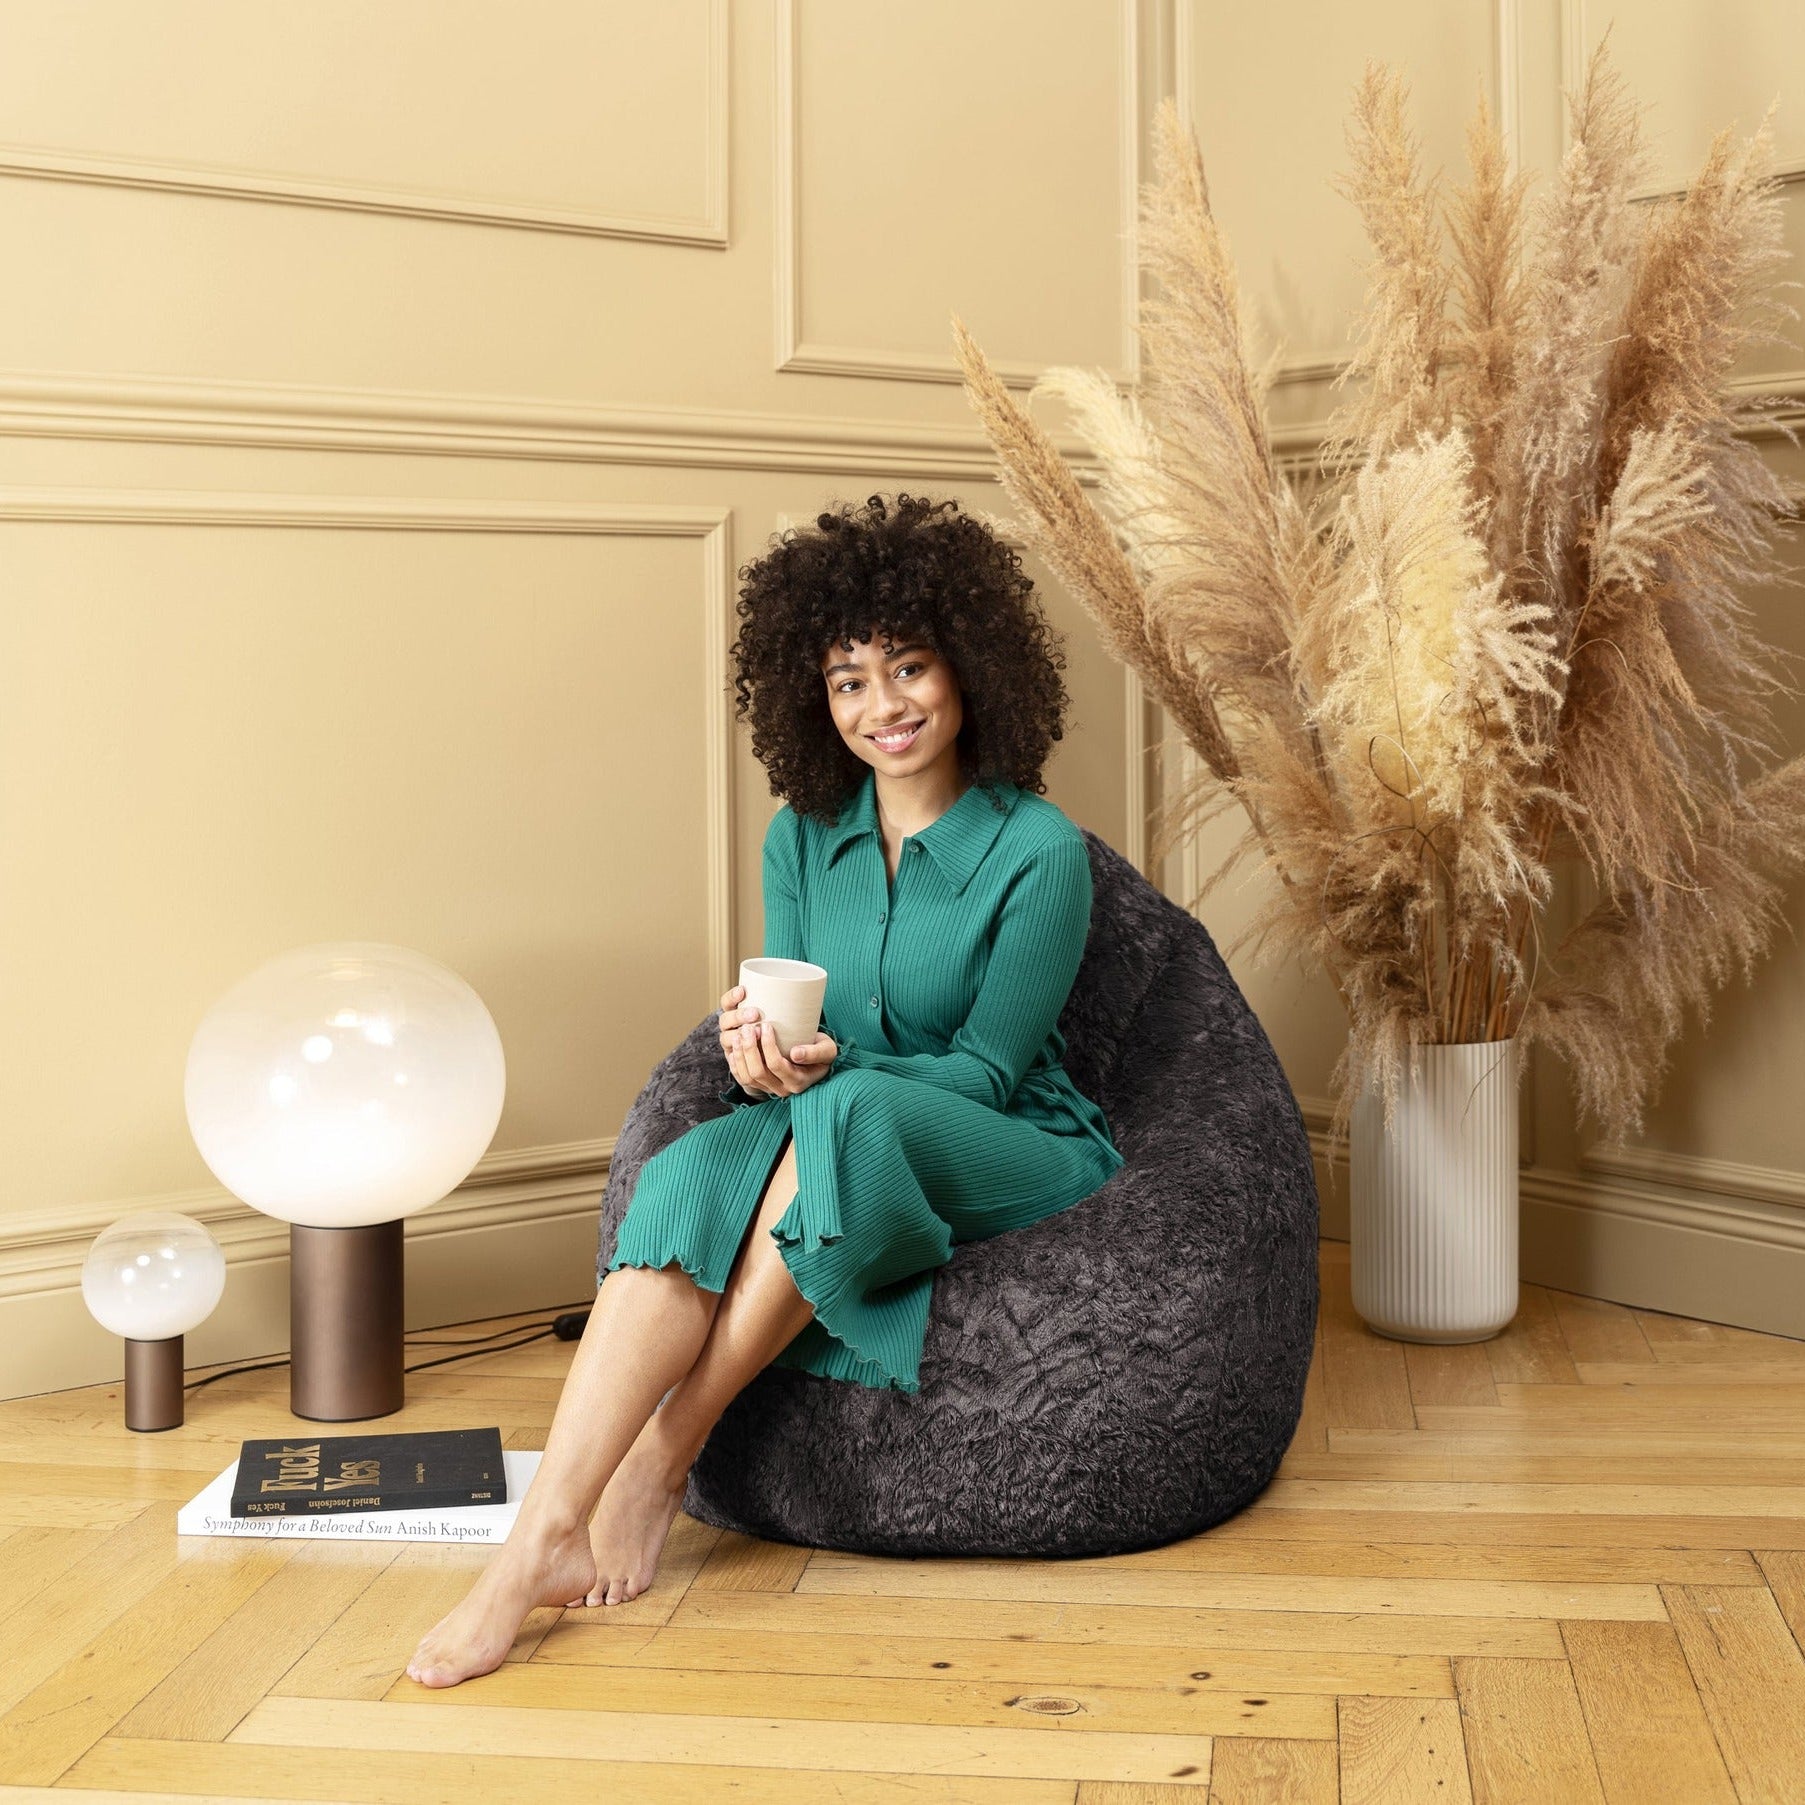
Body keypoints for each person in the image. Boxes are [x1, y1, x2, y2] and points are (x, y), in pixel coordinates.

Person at [405, 491, 1126, 1688]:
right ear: (813, 696)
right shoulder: (800, 834)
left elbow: (990, 1072)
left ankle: (659, 1458)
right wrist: (754, 1051)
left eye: (907, 666)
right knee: (691, 1163)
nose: (881, 706)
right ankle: (537, 1534)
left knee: (849, 1110)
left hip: (1014, 1136)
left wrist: (829, 1074)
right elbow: (795, 1018)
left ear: (968, 666)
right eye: (846, 679)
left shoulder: (1039, 852)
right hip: (844, 1112)